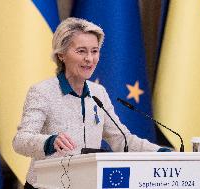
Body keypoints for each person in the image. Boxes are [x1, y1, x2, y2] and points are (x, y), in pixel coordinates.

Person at [13, 17, 170, 189]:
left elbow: (121, 139)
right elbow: (21, 141)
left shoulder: (98, 92)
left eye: (94, 51)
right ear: (61, 55)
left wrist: (160, 153)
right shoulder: (42, 92)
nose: (90, 58)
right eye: (81, 51)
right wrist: (50, 142)